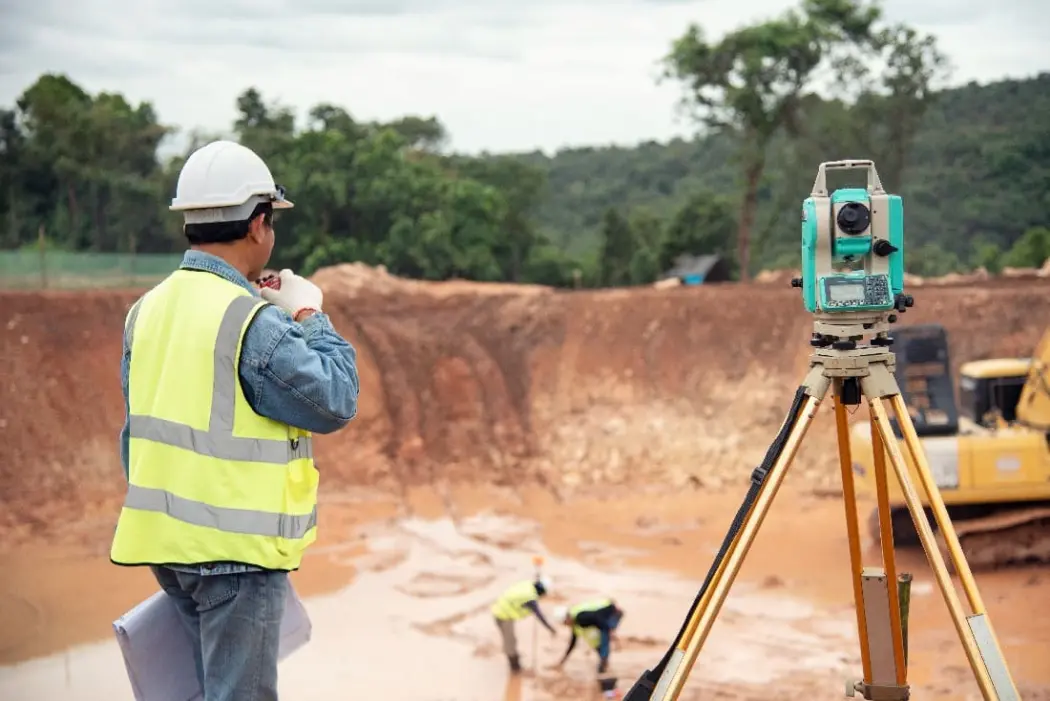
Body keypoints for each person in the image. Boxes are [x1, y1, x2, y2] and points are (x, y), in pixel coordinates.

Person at [109, 139, 360, 701]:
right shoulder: (250, 320)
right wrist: (308, 313)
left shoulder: (144, 311)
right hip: (234, 556)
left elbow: (142, 428)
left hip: (170, 549)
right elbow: (336, 398)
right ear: (258, 223)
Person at [553, 598, 625, 698]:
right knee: (602, 662)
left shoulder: (580, 617)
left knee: (603, 659)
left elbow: (598, 619)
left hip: (612, 613)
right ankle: (610, 689)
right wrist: (562, 661)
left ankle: (610, 690)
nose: (566, 625)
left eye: (565, 623)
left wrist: (611, 632)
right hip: (605, 621)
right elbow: (572, 644)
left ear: (567, 617)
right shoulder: (576, 624)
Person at [491, 576, 556, 673]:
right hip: (503, 616)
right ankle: (515, 668)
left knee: (511, 640)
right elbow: (539, 615)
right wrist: (550, 629)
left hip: (498, 610)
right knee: (510, 642)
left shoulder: (528, 585)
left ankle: (515, 662)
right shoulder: (529, 598)